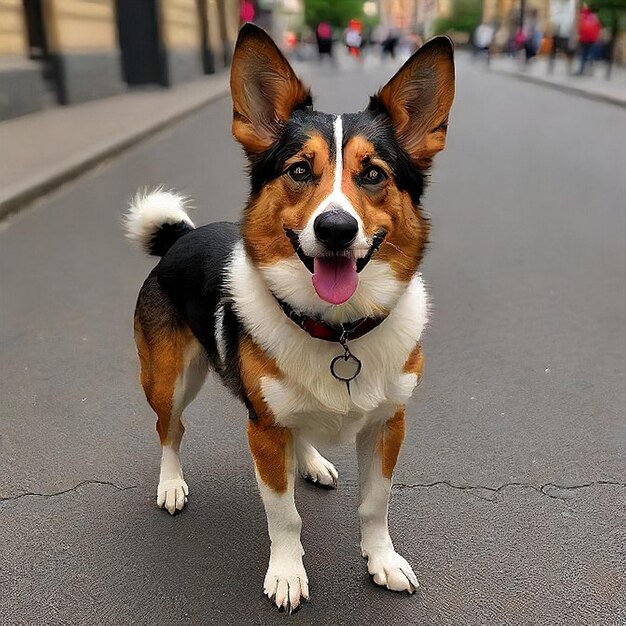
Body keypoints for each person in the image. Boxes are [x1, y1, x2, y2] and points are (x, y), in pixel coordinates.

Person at [576, 5, 601, 75]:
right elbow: (598, 28)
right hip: (592, 39)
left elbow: (579, 27)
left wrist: (579, 36)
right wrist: (597, 38)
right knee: (591, 55)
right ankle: (590, 71)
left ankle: (581, 70)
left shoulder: (582, 15)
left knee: (583, 55)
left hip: (583, 39)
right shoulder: (595, 17)